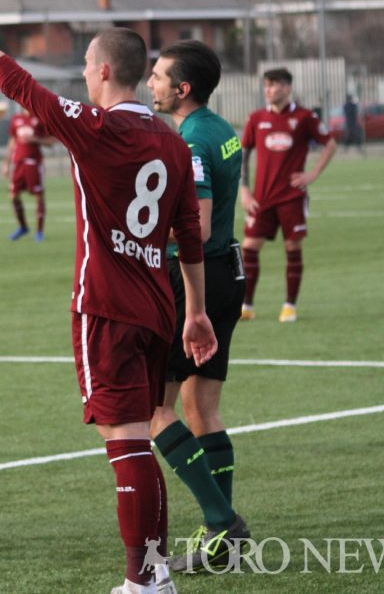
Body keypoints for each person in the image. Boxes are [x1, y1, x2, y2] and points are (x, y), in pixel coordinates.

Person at [0, 0, 217, 594]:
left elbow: (15, 81)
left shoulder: (98, 127)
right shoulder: (171, 139)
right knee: (139, 436)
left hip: (105, 307)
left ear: (105, 71)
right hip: (159, 307)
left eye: (85, 66)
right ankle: (155, 574)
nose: (81, 76)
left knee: (126, 445)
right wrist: (195, 311)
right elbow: (190, 235)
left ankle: (142, 581)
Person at [146, 40, 250, 574]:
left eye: (159, 77)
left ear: (182, 88)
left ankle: (221, 521)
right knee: (201, 409)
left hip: (196, 280)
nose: (151, 84)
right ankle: (224, 543)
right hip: (228, 272)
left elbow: (199, 225)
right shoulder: (221, 128)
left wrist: (143, 236)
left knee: (154, 408)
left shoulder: (188, 141)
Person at [240, 68, 337, 323]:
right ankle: (246, 305)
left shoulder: (305, 117)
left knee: (291, 247)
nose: (268, 90)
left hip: (292, 197)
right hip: (261, 197)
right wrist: (244, 189)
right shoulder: (256, 118)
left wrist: (312, 174)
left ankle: (289, 305)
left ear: (286, 87)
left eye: (273, 85)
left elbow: (330, 143)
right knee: (249, 247)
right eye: (266, 85)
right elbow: (243, 153)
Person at [3, 106, 55, 241]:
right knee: (14, 195)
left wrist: (35, 139)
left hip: (34, 163)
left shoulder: (39, 119)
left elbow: (51, 141)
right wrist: (6, 163)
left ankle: (39, 232)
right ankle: (23, 227)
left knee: (38, 195)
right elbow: (12, 142)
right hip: (18, 163)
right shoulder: (16, 119)